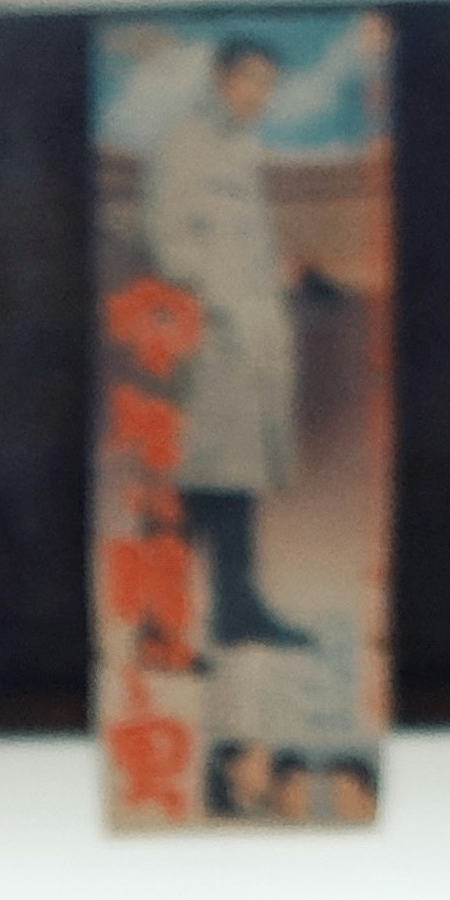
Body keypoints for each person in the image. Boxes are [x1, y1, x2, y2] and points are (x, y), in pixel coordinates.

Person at [142, 33, 310, 655]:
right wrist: (224, 305)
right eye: (249, 81)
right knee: (202, 475)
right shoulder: (185, 143)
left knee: (235, 476)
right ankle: (162, 620)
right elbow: (169, 242)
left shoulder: (242, 146)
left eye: (268, 85)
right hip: (211, 334)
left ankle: (237, 611)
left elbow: (247, 246)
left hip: (252, 335)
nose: (258, 95)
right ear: (220, 77)